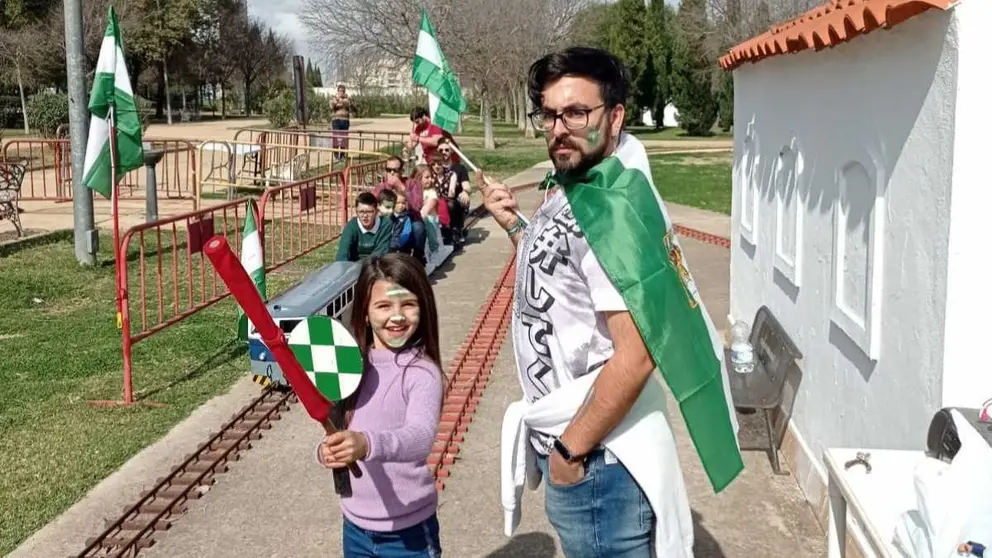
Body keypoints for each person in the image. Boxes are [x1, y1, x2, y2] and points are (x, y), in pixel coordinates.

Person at [485, 47, 742, 558]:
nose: (559, 128)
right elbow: (562, 271)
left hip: (600, 463)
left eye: (577, 112)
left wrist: (569, 451)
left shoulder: (611, 213)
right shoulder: (575, 184)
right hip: (588, 454)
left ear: (615, 116)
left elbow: (639, 350)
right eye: (550, 114)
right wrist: (516, 225)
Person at [317, 253, 445, 558]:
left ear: (423, 308)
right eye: (384, 306)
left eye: (408, 304)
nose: (397, 316)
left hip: (409, 532)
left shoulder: (422, 372)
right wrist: (325, 452)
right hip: (355, 526)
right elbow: (334, 428)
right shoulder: (348, 366)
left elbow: (420, 436)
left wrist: (366, 444)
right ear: (363, 312)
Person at [335, 192, 392, 262]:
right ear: (356, 212)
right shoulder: (351, 226)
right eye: (361, 212)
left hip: (376, 265)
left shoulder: (385, 224)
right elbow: (342, 254)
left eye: (369, 212)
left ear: (376, 212)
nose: (365, 216)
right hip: (352, 265)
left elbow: (380, 252)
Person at [332, 85, 351, 161]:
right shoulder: (334, 97)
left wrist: (340, 102)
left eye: (343, 91)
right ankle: (336, 156)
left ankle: (342, 155)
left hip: (345, 120)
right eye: (340, 90)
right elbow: (332, 105)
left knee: (344, 139)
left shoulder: (348, 98)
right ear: (337, 91)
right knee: (336, 138)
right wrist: (337, 99)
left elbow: (348, 104)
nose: (341, 92)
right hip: (336, 120)